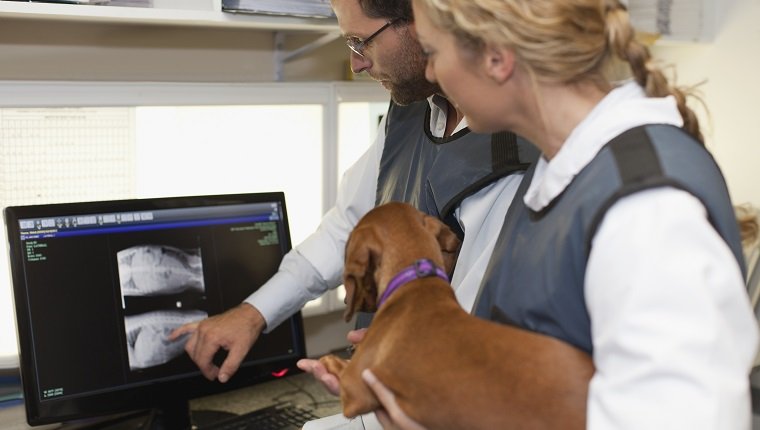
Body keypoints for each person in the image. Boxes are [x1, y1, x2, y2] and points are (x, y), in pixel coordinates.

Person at [355, 0, 760, 428]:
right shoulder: (555, 172)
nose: (432, 73)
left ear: (496, 56)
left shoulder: (645, 207)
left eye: (434, 52)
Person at [169, 0, 535, 395]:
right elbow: (348, 227)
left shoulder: (512, 151)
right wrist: (254, 313)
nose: (356, 63)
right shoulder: (410, 111)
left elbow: (474, 330)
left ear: (422, 22)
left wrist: (383, 371)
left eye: (361, 42)